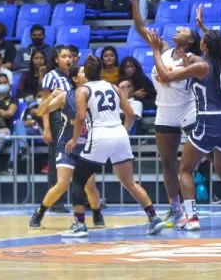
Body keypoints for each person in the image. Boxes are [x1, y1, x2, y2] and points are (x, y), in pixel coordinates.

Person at [146, 28, 221, 230]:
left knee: (185, 169)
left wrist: (155, 50)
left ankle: (191, 218)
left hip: (210, 120)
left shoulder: (202, 66)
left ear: (204, 45)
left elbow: (165, 76)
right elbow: (219, 48)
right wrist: (203, 30)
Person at [122, 0, 201, 227]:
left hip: (188, 109)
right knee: (167, 163)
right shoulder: (163, 49)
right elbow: (139, 27)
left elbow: (168, 78)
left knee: (205, 161)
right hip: (165, 111)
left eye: (184, 30)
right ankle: (175, 208)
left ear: (190, 40)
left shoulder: (193, 59)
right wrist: (135, 0)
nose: (178, 29)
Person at [66, 56, 164, 236]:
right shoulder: (114, 87)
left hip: (100, 134)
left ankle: (79, 224)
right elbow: (130, 114)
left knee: (79, 179)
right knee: (129, 182)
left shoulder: (83, 90)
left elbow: (80, 117)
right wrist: (124, 130)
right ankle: (154, 217)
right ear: (101, 70)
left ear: (86, 73)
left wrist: (74, 139)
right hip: (119, 134)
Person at [29, 65, 105, 234]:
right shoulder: (65, 96)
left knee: (90, 185)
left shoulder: (94, 94)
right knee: (62, 184)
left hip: (86, 146)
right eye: (82, 72)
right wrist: (50, 97)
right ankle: (39, 213)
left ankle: (97, 213)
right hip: (67, 145)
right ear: (75, 79)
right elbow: (41, 111)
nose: (86, 73)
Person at [40, 45, 75, 213]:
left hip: (73, 121)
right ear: (56, 59)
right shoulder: (51, 76)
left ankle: (85, 199)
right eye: (64, 56)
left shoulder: (74, 76)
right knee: (56, 160)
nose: (68, 59)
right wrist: (46, 128)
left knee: (79, 159)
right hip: (57, 120)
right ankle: (55, 202)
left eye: (70, 56)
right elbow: (45, 104)